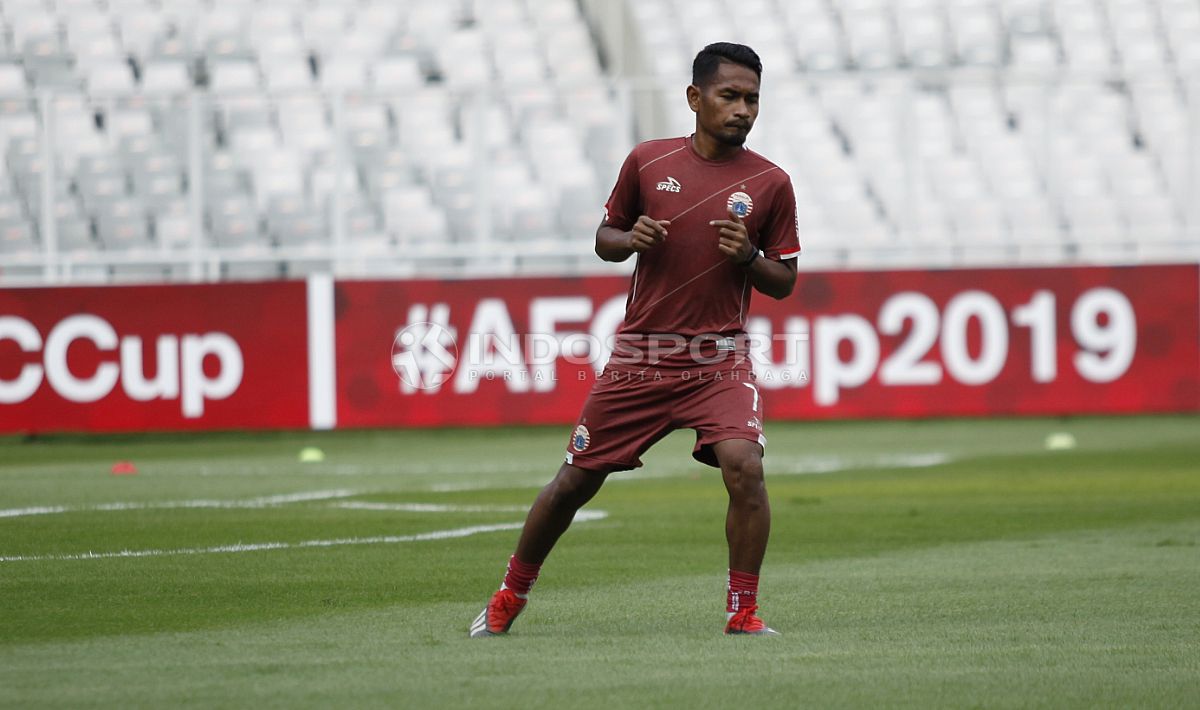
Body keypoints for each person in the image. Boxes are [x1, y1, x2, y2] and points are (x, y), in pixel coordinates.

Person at [470, 42, 800, 637]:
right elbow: (605, 236)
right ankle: (509, 595)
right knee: (574, 481)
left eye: (752, 98)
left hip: (718, 359)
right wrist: (631, 239)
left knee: (745, 467)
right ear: (695, 98)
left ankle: (742, 611)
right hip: (641, 358)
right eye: (730, 96)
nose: (743, 109)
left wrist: (750, 255)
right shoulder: (648, 162)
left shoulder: (771, 183)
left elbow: (784, 281)